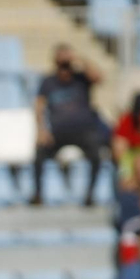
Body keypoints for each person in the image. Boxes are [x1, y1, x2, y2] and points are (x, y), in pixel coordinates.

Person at [32, 44, 108, 207]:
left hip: (84, 132)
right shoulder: (48, 82)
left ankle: (90, 194)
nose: (65, 67)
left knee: (96, 152)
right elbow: (39, 106)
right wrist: (41, 130)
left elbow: (99, 77)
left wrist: (78, 58)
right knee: (39, 152)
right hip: (58, 134)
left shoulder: (81, 78)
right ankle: (37, 194)